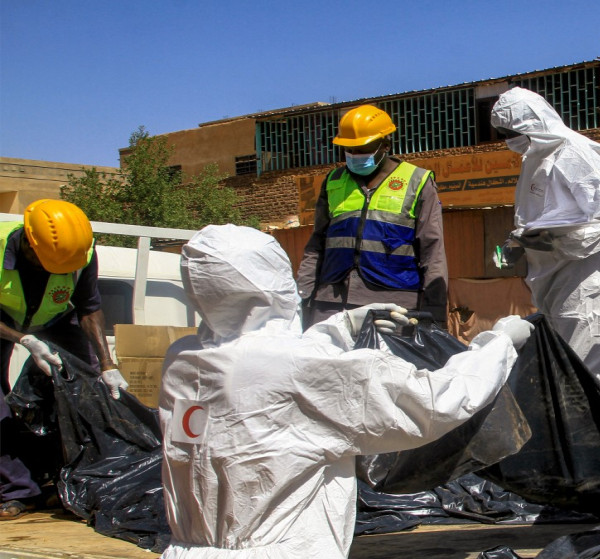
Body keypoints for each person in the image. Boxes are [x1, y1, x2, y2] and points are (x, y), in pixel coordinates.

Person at [159, 224, 533, 559]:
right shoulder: (294, 368)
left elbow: (267, 374)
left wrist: (342, 325)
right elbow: (431, 403)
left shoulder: (184, 360)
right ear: (272, 285)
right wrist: (497, 344)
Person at [491, 87, 600, 384]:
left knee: (589, 367)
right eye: (502, 133)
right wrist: (518, 243)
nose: (508, 140)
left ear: (533, 122)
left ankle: (597, 430)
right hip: (554, 276)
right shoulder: (533, 159)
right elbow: (536, 217)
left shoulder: (575, 152)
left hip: (590, 274)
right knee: (564, 367)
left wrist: (552, 240)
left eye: (511, 130)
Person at [0, 199, 128, 520]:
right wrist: (24, 339)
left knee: (80, 395)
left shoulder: (81, 252)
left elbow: (88, 306)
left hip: (56, 319)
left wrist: (107, 364)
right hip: (4, 318)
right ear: (29, 243)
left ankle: (65, 483)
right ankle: (18, 491)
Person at [297, 104, 448, 328]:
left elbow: (432, 250)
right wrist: (302, 293)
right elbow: (316, 245)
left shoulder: (418, 181)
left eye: (363, 149)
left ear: (385, 145)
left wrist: (435, 309)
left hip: (392, 303)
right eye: (349, 150)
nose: (355, 155)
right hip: (330, 301)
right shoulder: (333, 181)